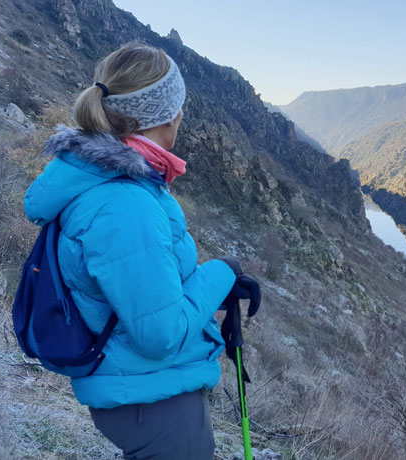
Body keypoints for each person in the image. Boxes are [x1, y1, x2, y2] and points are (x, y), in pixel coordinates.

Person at [23, 41, 244, 459]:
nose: (182, 114)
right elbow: (159, 336)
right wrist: (222, 272)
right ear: (168, 114)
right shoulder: (125, 205)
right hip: (151, 399)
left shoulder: (105, 182)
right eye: (180, 104)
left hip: (140, 387)